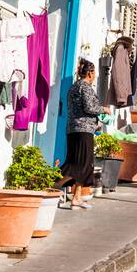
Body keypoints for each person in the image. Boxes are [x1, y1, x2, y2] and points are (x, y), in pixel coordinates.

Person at [61, 61, 102, 209]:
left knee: (81, 165)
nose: (94, 75)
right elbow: (90, 107)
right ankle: (50, 186)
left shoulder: (73, 87)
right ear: (90, 73)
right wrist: (103, 109)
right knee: (77, 165)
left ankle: (76, 198)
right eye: (94, 72)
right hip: (83, 130)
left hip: (73, 129)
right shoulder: (85, 87)